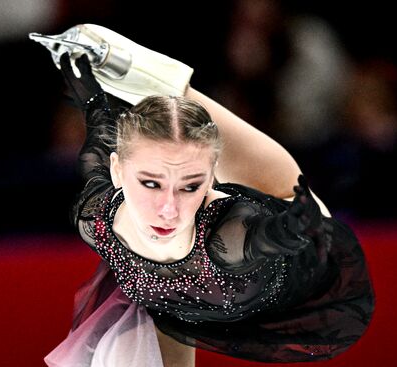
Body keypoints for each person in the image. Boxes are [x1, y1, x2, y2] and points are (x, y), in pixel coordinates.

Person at [37, 24, 374, 367]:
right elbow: (98, 147)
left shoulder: (225, 236)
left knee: (189, 119)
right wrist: (91, 98)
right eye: (150, 184)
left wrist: (289, 228)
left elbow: (256, 239)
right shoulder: (96, 217)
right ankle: (120, 67)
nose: (168, 209)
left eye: (190, 186)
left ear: (212, 179)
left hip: (297, 245)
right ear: (118, 172)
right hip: (179, 311)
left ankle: (142, 70)